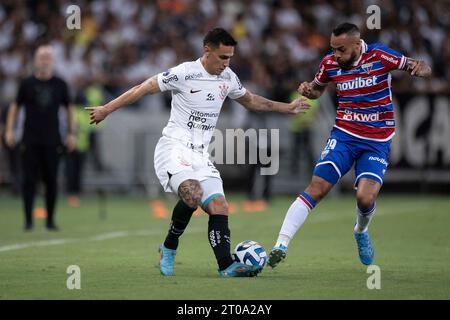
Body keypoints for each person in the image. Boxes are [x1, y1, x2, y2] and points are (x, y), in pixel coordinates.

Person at [87, 28, 310, 277]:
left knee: (219, 205)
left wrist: (286, 108)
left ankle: (226, 266)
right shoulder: (184, 73)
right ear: (207, 50)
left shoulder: (228, 77)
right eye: (222, 57)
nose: (227, 63)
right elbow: (143, 87)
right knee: (193, 195)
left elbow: (252, 100)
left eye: (230, 57)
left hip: (201, 154)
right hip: (174, 148)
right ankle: (169, 247)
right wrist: (107, 108)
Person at [268, 23, 431, 268]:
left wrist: (420, 69)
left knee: (365, 199)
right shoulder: (330, 64)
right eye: (333, 49)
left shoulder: (381, 55)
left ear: (357, 44)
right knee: (317, 186)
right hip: (344, 135)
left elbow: (421, 66)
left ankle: (360, 231)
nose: (336, 55)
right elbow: (317, 90)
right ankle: (280, 244)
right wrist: (307, 90)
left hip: (377, 140)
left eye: (341, 50)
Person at [5, 45, 76, 231]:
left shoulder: (60, 84)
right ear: (36, 61)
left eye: (48, 57)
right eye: (41, 57)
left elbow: (69, 109)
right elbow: (15, 107)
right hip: (30, 140)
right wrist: (9, 131)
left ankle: (50, 221)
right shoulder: (26, 83)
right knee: (28, 181)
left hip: (52, 141)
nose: (44, 61)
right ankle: (28, 221)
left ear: (52, 61)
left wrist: (71, 133)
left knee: (51, 180)